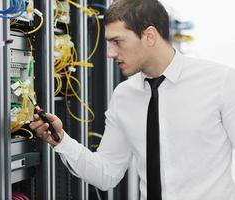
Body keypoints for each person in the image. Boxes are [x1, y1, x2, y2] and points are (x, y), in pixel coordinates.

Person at [29, 0, 235, 199]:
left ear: (149, 36)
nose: (110, 53)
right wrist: (61, 140)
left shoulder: (220, 82)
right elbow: (106, 173)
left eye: (117, 42)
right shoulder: (124, 95)